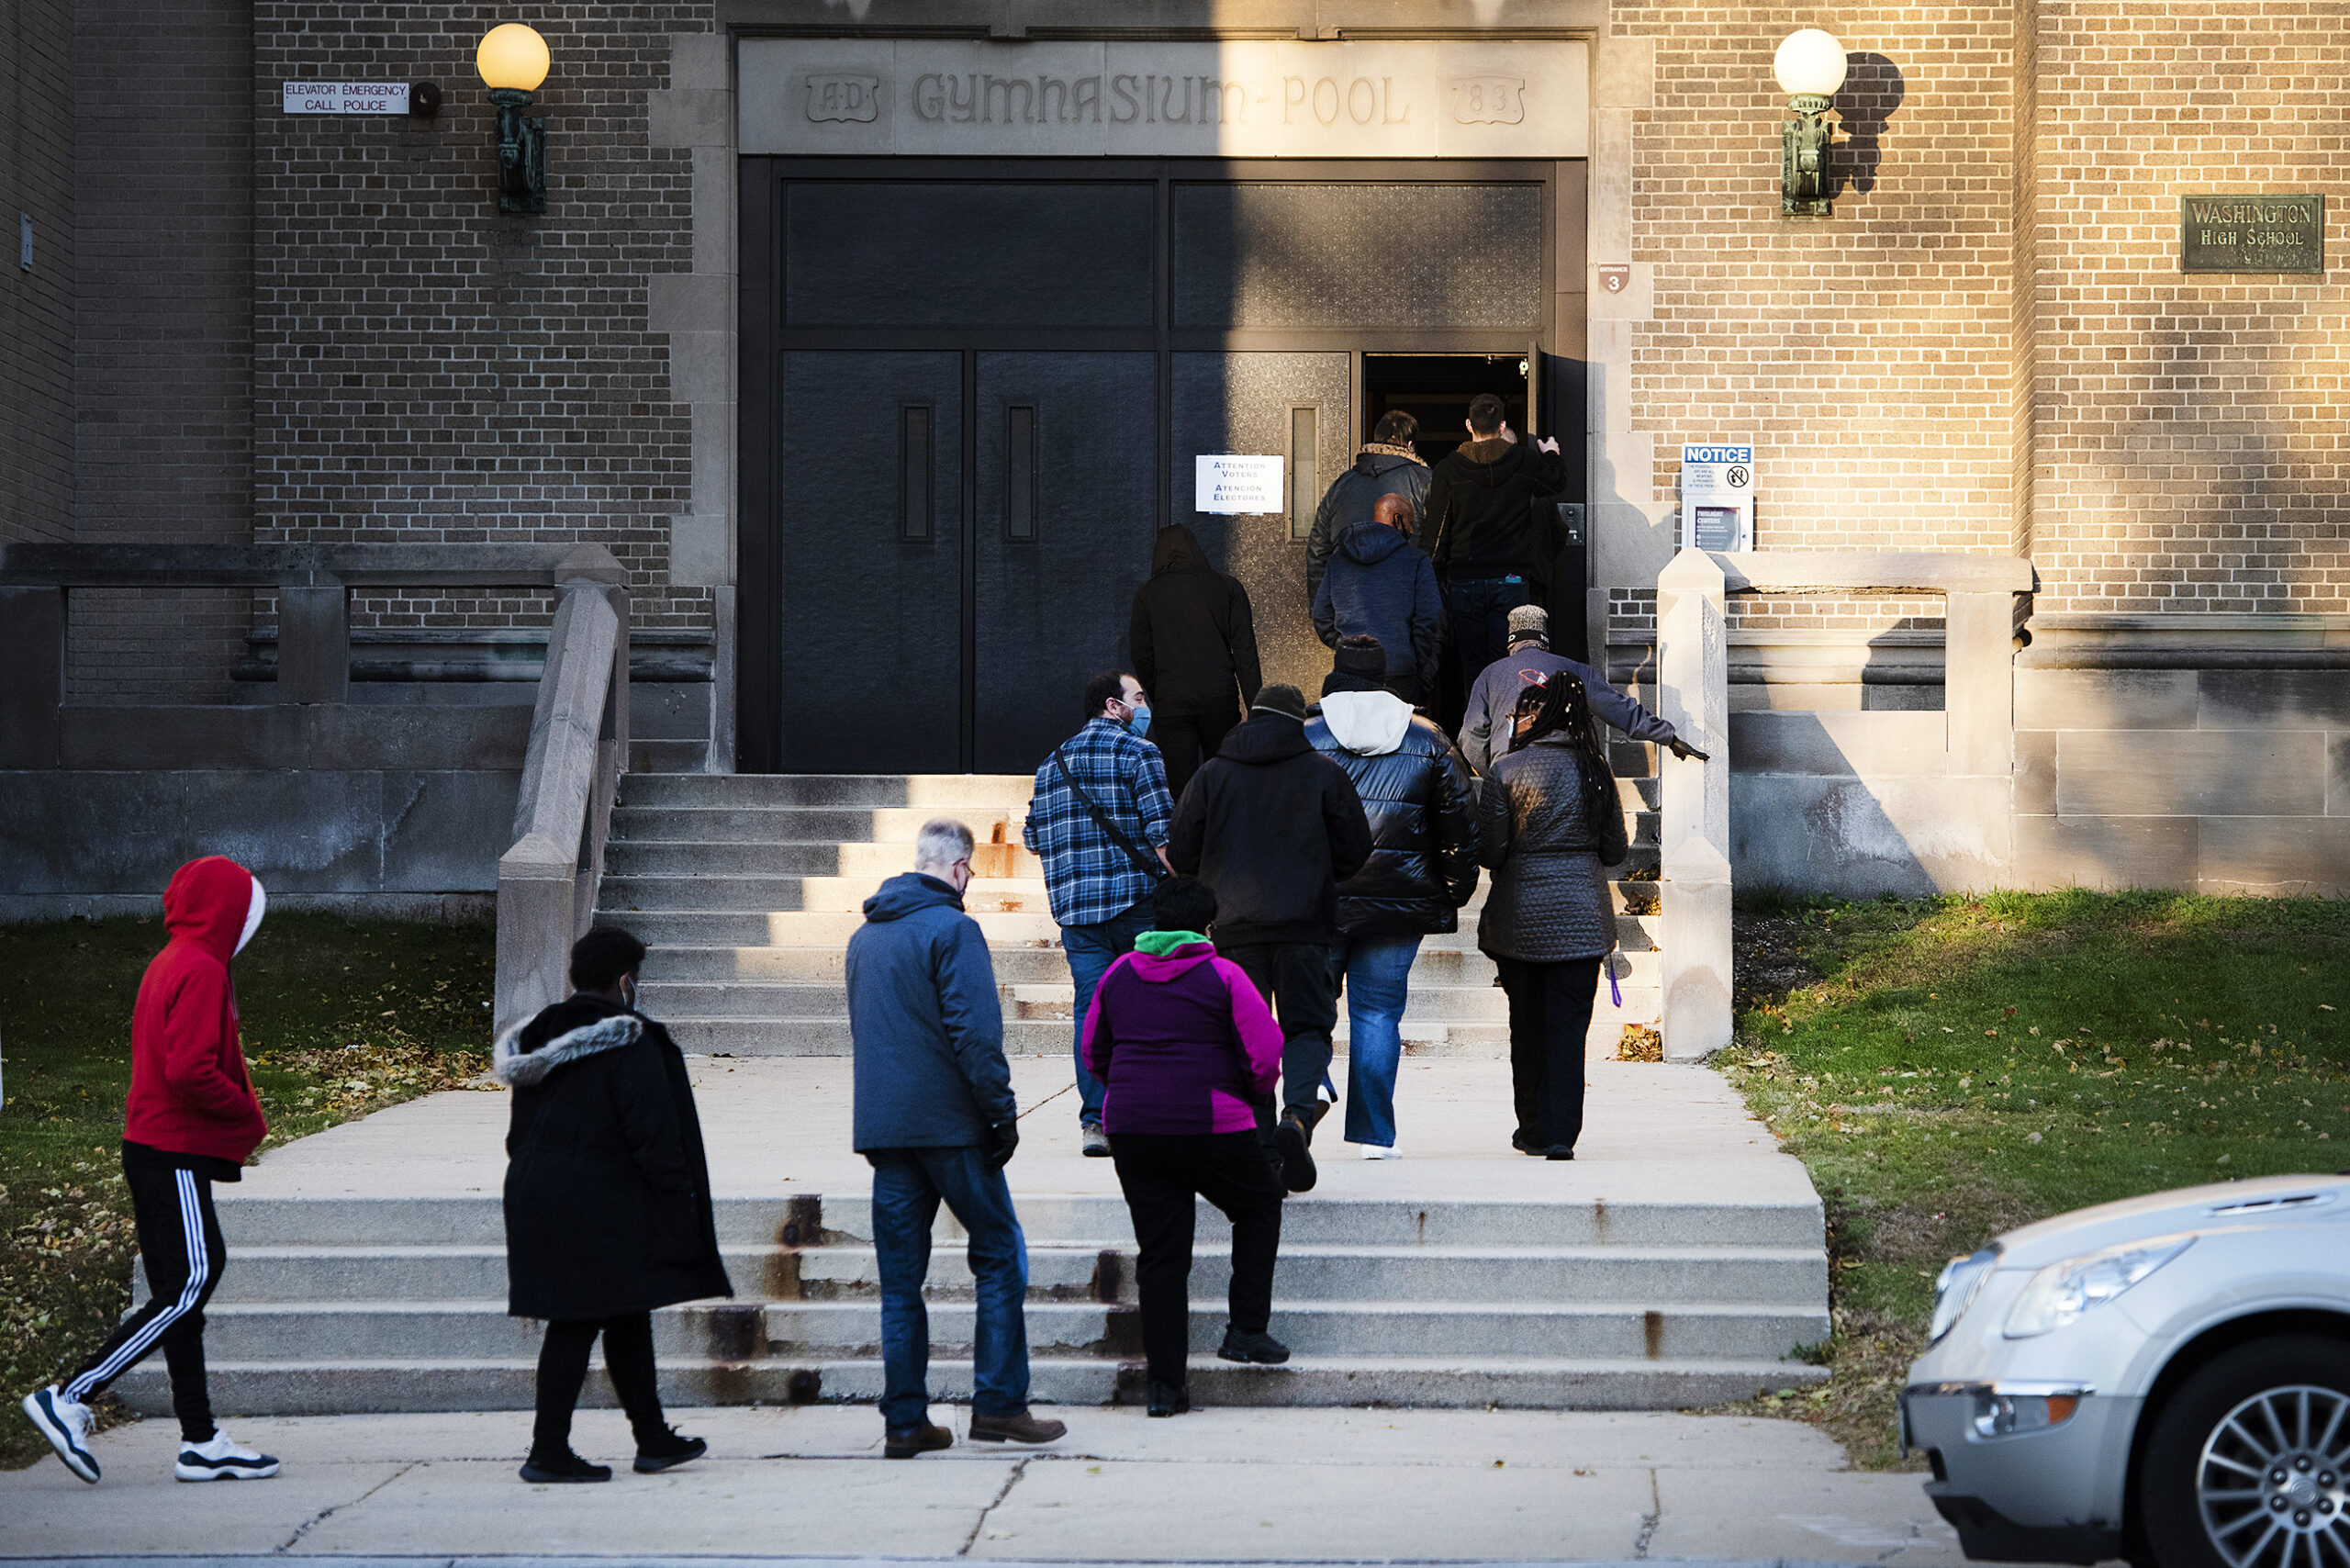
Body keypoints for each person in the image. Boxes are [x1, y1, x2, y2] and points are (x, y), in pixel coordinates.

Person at [20, 856, 280, 1486]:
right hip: (173, 1149)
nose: (249, 925)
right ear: (226, 913)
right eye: (246, 912)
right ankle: (71, 1395)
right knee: (192, 1279)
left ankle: (200, 1441)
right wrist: (247, 1114)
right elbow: (190, 1070)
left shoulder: (175, 960)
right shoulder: (200, 968)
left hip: (154, 1146)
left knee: (182, 1296)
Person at [848, 818, 1067, 1458]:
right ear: (960, 868)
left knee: (900, 1282)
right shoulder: (954, 929)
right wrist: (1001, 1116)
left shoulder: (865, 937)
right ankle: (999, 1404)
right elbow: (977, 1036)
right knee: (999, 1253)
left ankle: (905, 1422)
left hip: (887, 1130)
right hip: (951, 1126)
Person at [492, 925, 727, 1484]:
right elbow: (654, 1135)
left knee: (626, 1311)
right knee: (577, 1320)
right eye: (635, 979)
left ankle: (653, 1439)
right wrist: (680, 1206)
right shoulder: (630, 1039)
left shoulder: (537, 1037)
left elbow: (516, 1136)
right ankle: (547, 1452)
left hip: (535, 1191)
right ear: (625, 980)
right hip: (598, 1200)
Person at [1082, 876, 1289, 1416]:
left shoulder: (1117, 974)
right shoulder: (1223, 974)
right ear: (1207, 925)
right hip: (1212, 1124)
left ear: (1154, 921)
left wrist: (1128, 1091)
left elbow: (1092, 1051)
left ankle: (1164, 1388)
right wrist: (1251, 1095)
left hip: (1132, 1128)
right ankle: (1245, 1332)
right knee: (1260, 1205)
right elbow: (1265, 1052)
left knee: (1162, 1256)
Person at [1168, 683, 1373, 1193]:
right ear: (1296, 722)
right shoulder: (1323, 772)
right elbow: (1357, 849)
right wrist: (1323, 872)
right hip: (1305, 927)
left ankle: (1264, 1148)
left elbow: (1181, 851)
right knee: (1306, 1028)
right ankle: (1298, 1119)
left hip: (1234, 932)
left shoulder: (1212, 774)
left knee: (1244, 1039)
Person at [1304, 636, 1479, 1158]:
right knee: (1378, 1016)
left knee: (1310, 1008)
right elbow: (1459, 827)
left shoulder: (1306, 735)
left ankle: (1308, 1086)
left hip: (1319, 901)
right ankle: (1375, 1138)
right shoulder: (1426, 739)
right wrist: (1453, 890)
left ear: (1337, 672)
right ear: (1385, 678)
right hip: (1399, 902)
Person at [1024, 671, 1176, 1157]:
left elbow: (1031, 837)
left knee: (1092, 1013)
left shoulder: (1052, 764)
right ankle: (1146, 1115)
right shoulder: (1140, 753)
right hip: (1138, 904)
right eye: (1139, 698)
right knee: (1149, 1009)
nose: (1145, 706)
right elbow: (1162, 834)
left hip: (1078, 913)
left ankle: (1096, 1123)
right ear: (1114, 705)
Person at [1477, 677, 1629, 1160]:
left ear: (1532, 717)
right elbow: (1615, 849)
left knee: (1525, 1027)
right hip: (1582, 918)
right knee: (1568, 1030)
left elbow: (1491, 852)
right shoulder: (1595, 770)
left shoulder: (1505, 770)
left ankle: (1533, 1129)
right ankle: (1562, 1133)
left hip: (1519, 920)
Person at [1419, 393, 1572, 711]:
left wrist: (1429, 577)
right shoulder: (1524, 461)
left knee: (1472, 667)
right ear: (1502, 425)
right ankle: (1508, 736)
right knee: (1509, 662)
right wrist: (1552, 454)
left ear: (1468, 425)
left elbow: (1436, 533)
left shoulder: (1449, 469)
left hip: (1464, 581)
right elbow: (1556, 482)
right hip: (1512, 578)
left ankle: (1478, 737)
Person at [1460, 604, 1709, 776]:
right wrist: (1669, 738)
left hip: (1508, 772)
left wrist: (1494, 770)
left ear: (1510, 643)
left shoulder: (1489, 676)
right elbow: (1622, 712)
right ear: (1545, 642)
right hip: (1564, 772)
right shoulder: (1577, 671)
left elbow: (1471, 735)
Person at [1129, 523, 1261, 801]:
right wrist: (1256, 708)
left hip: (1172, 702)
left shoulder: (1148, 594)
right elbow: (1245, 652)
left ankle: (1186, 840)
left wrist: (1158, 693)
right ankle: (1222, 840)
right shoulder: (1227, 587)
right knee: (1224, 779)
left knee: (1181, 788)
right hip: (1219, 699)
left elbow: (1142, 653)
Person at [1310, 493, 1445, 709]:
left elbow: (1321, 616)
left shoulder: (1338, 560)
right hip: (1400, 671)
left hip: (1349, 669)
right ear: (1397, 518)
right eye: (1410, 522)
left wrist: (1346, 646)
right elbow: (1428, 619)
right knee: (1398, 737)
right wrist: (1417, 663)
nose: (1411, 530)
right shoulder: (1416, 560)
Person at [1306, 409, 1432, 605]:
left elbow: (1317, 550)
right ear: (1410, 446)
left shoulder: (1343, 483)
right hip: (1401, 602)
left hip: (1347, 601)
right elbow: (1436, 545)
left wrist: (1321, 609)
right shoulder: (1425, 481)